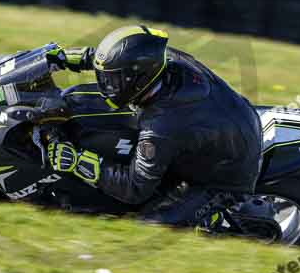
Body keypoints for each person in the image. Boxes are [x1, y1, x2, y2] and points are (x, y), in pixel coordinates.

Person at [44, 25, 263, 226]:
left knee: (150, 225)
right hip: (232, 121)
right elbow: (121, 62)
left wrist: (77, 161)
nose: (105, 85)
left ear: (138, 79)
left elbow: (134, 188)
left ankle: (214, 219)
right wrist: (69, 58)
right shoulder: (160, 61)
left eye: (112, 80)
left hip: (226, 176)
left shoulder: (163, 125)